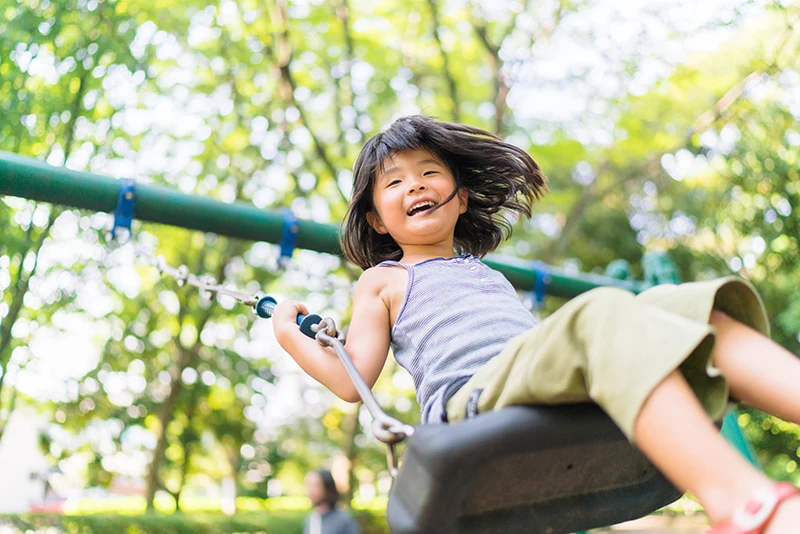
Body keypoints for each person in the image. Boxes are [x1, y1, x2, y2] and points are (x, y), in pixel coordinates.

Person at [272, 115, 800, 533]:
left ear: (461, 197)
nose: (415, 185)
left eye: (429, 172)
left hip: (534, 384)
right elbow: (352, 381)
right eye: (394, 181)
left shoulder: (488, 273)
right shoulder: (383, 280)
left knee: (684, 307)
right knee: (601, 311)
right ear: (376, 219)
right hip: (470, 403)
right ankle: (745, 504)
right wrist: (288, 336)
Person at [303, 469, 360, 534]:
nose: (310, 490)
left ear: (327, 488)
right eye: (309, 485)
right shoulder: (310, 519)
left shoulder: (343, 520)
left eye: (316, 486)